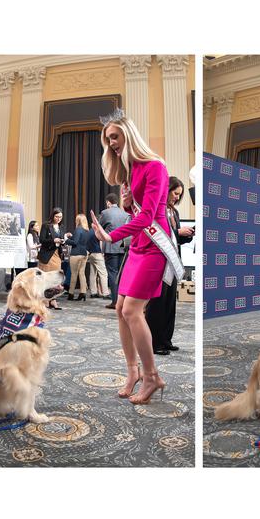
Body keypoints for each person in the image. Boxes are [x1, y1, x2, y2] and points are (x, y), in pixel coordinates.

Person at [90, 111, 172, 405]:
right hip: (138, 245)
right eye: (108, 139)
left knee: (132, 311)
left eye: (115, 136)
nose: (111, 143)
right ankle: (133, 372)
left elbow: (150, 216)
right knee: (120, 309)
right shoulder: (131, 171)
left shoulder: (154, 167)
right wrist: (126, 206)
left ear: (129, 135)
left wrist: (112, 235)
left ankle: (152, 377)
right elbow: (137, 214)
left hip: (153, 246)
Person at [146, 176, 195, 355]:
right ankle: (154, 343)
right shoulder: (157, 210)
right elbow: (157, 235)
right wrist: (177, 231)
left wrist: (186, 235)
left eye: (179, 195)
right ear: (166, 190)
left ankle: (166, 339)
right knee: (157, 304)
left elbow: (175, 239)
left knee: (169, 304)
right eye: (175, 193)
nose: (176, 197)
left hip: (173, 263)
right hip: (159, 262)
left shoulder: (174, 212)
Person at [100, 193, 129, 310]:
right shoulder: (125, 213)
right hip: (124, 247)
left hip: (110, 247)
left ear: (108, 202)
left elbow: (99, 228)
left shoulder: (105, 213)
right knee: (122, 275)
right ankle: (122, 301)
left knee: (112, 274)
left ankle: (115, 301)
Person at [37, 208, 71, 310]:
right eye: (57, 217)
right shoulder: (46, 225)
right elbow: (42, 240)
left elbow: (62, 240)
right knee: (46, 278)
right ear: (52, 216)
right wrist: (53, 240)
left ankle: (53, 300)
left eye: (60, 217)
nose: (59, 219)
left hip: (57, 255)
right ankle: (45, 300)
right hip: (47, 255)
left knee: (56, 279)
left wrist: (63, 240)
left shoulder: (62, 227)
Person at [66, 214, 90, 301]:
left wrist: (66, 240)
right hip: (84, 254)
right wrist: (71, 237)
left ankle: (71, 294)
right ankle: (83, 293)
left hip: (76, 254)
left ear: (78, 221)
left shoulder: (78, 229)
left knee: (74, 274)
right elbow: (78, 240)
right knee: (82, 273)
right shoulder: (87, 231)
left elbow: (75, 242)